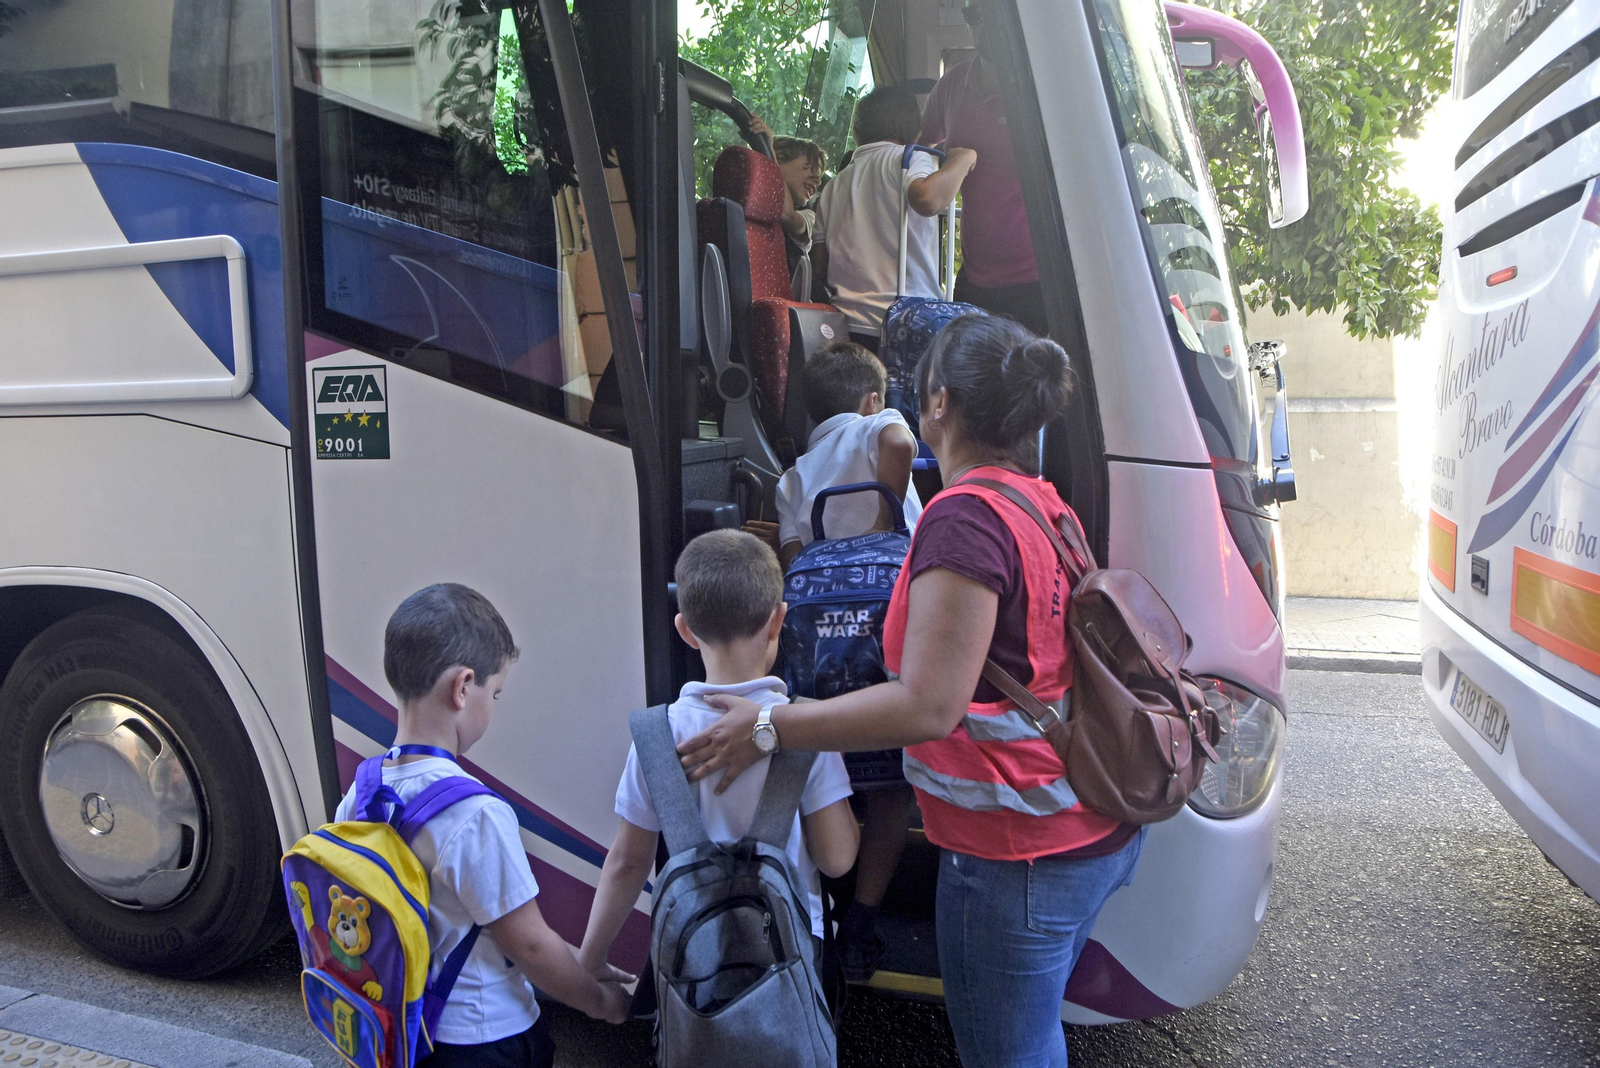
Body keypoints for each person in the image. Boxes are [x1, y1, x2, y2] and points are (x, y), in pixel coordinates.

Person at [675, 317, 1143, 1068]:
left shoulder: (965, 516)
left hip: (1018, 848)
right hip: (1082, 819)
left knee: (1008, 1053)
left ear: (937, 405)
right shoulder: (1038, 501)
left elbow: (929, 705)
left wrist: (773, 722)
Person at [335, 584, 633, 1068]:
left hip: (401, 1030)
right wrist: (601, 1003)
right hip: (481, 1039)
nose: (492, 705)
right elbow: (529, 944)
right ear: (462, 686)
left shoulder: (361, 792)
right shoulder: (475, 814)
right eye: (494, 692)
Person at [578, 530, 860, 989]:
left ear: (685, 629)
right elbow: (838, 859)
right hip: (791, 962)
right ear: (778, 621)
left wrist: (590, 959)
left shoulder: (655, 734)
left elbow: (628, 862)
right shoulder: (805, 729)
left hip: (696, 966)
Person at [767, 340, 921, 981]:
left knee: (829, 777)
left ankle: (819, 911)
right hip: (885, 642)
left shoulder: (793, 476)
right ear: (870, 398)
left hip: (825, 665)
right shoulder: (876, 423)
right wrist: (887, 519)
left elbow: (795, 560)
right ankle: (863, 919)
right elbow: (902, 447)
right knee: (892, 788)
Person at [813, 85, 977, 348]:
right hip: (904, 320)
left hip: (845, 323)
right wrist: (963, 159)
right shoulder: (910, 157)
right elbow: (927, 198)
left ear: (856, 132)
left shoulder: (834, 185)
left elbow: (820, 263)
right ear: (917, 133)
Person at [921, 5, 1049, 337]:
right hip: (975, 276)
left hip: (1038, 277)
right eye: (975, 13)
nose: (985, 23)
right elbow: (921, 149)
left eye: (996, 12)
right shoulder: (952, 86)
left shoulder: (1042, 87)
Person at [772, 339, 922, 569]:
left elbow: (794, 561)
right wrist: (883, 525)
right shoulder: (877, 424)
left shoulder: (789, 480)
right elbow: (899, 443)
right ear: (872, 403)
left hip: (834, 598)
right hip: (900, 583)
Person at [749, 115, 825, 262]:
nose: (817, 181)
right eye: (811, 167)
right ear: (780, 157)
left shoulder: (809, 218)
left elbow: (786, 214)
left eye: (819, 176)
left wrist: (767, 151)